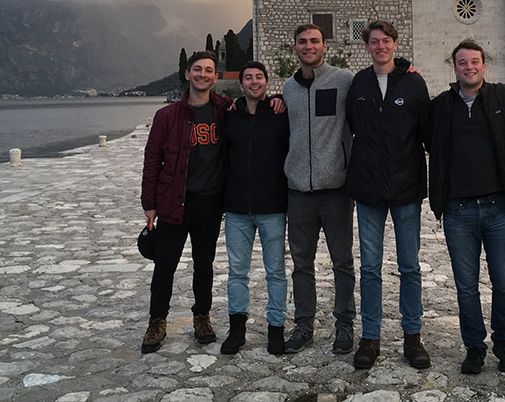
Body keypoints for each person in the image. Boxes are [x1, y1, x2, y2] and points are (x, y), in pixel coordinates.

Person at [427, 40, 505, 375]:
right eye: (462, 63)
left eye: (474, 62)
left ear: (485, 65)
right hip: (458, 211)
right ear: (454, 67)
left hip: (499, 207)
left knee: (504, 284)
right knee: (466, 286)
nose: (469, 67)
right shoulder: (441, 106)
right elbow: (419, 131)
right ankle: (474, 347)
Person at [346, 20, 431, 370]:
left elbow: (425, 131)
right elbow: (353, 127)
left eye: (386, 41)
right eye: (374, 42)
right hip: (367, 190)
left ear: (396, 44)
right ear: (367, 47)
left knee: (410, 267)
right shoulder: (359, 84)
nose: (380, 46)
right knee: (370, 267)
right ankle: (370, 338)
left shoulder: (413, 83)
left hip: (406, 189)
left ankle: (413, 338)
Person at [140, 50, 229, 353]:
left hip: (210, 202)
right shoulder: (167, 116)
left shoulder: (225, 110)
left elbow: (256, 110)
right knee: (165, 265)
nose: (203, 74)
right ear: (188, 74)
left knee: (204, 264)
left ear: (216, 77)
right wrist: (149, 204)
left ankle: (201, 317)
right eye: (197, 70)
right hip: (173, 201)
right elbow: (152, 160)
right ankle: (157, 321)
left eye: (208, 70)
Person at [282, 23, 356, 355]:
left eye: (314, 41)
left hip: (337, 189)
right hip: (298, 191)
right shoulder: (287, 89)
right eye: (302, 42)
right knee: (301, 263)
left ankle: (344, 325)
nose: (308, 46)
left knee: (342, 261)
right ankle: (303, 324)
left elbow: (375, 86)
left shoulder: (343, 80)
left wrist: (403, 69)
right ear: (294, 48)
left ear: (325, 46)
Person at [220, 61, 290, 356]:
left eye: (258, 77)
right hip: (236, 208)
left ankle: (276, 329)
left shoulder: (278, 115)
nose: (253, 82)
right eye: (247, 77)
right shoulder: (229, 116)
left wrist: (282, 100)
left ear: (266, 82)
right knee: (237, 272)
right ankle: (237, 331)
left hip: (273, 205)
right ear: (241, 84)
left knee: (275, 271)